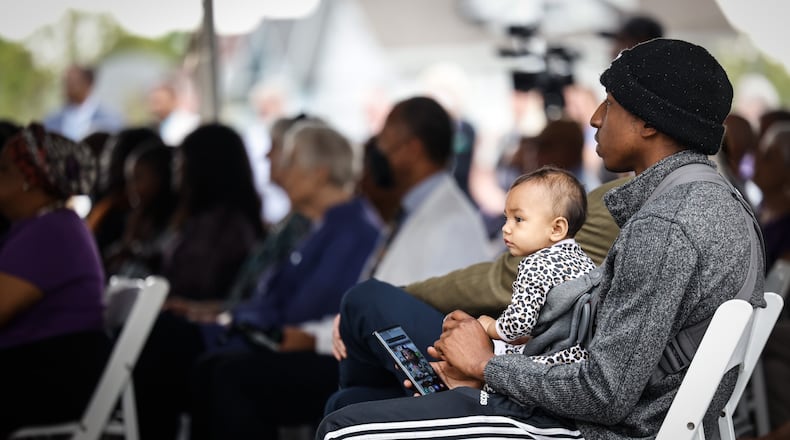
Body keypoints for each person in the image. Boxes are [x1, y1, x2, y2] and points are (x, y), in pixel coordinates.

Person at [318, 38, 764, 440]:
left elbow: (604, 394)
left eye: (609, 104)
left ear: (649, 122)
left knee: (341, 427)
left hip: (580, 428)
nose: (593, 117)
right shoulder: (716, 201)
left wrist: (487, 364)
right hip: (583, 402)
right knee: (350, 402)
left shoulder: (666, 225)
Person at [133, 123, 381, 439]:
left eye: (290, 162)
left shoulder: (350, 229)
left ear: (318, 174)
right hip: (277, 335)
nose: (281, 171)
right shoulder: (320, 227)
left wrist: (239, 320)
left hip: (317, 350)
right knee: (191, 355)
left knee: (212, 368)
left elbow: (306, 308)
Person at [0, 123, 110, 438]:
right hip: (42, 372)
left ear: (29, 182)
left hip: (46, 382)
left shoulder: (50, 232)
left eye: (3, 169)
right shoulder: (48, 226)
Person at [363, 96, 491, 284]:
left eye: (384, 141)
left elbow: (445, 309)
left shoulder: (454, 225)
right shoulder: (410, 210)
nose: (379, 151)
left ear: (412, 150)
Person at [477, 166, 596, 360]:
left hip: (549, 359)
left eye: (518, 219)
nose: (506, 228)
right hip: (582, 357)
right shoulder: (582, 259)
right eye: (506, 218)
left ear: (557, 228)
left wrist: (490, 326)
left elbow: (519, 322)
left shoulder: (535, 264)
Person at [159, 124, 264, 303]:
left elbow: (194, 286)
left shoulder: (223, 226)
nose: (175, 167)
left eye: (180, 159)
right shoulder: (205, 219)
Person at [43, 64, 123, 141]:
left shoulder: (110, 121)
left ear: (87, 83)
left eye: (73, 82)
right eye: (66, 82)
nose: (67, 87)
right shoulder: (51, 123)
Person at [147, 82, 200, 147]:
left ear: (173, 100)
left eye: (158, 101)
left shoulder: (185, 123)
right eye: (153, 102)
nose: (154, 107)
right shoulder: (162, 125)